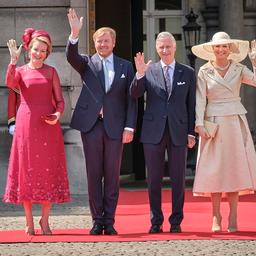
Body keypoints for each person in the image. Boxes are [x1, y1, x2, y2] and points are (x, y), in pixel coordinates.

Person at [66, 9, 137, 235]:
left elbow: (131, 99)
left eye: (106, 41)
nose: (102, 44)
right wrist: (74, 33)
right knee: (94, 174)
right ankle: (97, 220)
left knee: (112, 176)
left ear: (114, 43)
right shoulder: (86, 62)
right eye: (99, 41)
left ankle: (110, 220)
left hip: (116, 127)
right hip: (92, 126)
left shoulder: (126, 66)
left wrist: (129, 126)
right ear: (94, 43)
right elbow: (71, 56)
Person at [3, 28, 70, 235]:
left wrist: (58, 115)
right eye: (35, 49)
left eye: (42, 50)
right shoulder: (21, 71)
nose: (38, 53)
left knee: (47, 172)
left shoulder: (51, 72)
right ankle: (29, 222)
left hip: (48, 127)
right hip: (25, 125)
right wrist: (13, 61)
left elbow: (60, 101)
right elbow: (10, 83)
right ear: (29, 50)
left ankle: (45, 221)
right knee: (26, 172)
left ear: (47, 52)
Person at [130, 32, 196, 233]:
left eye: (168, 47)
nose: (165, 51)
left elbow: (191, 104)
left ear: (174, 47)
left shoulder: (188, 72)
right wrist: (140, 74)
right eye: (161, 47)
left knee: (178, 179)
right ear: (157, 49)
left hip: (178, 131)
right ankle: (155, 221)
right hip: (153, 132)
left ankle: (176, 221)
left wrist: (191, 132)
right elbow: (134, 93)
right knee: (154, 180)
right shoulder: (149, 70)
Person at [192, 32, 256, 232]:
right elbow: (200, 98)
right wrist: (199, 123)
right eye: (218, 47)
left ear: (230, 49)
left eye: (225, 47)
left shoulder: (239, 68)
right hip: (213, 123)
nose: (221, 50)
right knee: (215, 170)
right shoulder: (204, 70)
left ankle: (234, 216)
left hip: (235, 121)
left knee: (234, 169)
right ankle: (215, 215)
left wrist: (255, 61)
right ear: (212, 48)